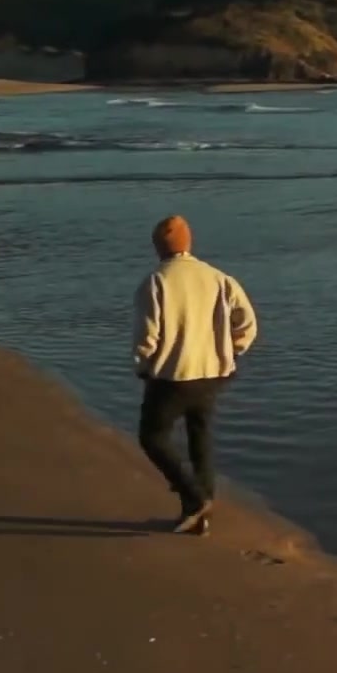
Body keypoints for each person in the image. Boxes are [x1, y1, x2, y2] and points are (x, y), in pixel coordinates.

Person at [133, 215, 258, 535]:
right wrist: (233, 350)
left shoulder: (157, 281)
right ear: (189, 243)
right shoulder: (218, 277)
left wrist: (143, 366)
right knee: (199, 438)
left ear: (158, 246)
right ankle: (200, 514)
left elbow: (147, 336)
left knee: (152, 437)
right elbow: (247, 322)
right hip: (213, 372)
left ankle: (194, 498)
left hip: (173, 376)